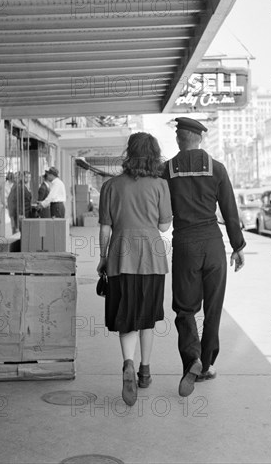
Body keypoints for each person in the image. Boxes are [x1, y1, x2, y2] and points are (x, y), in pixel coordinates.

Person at [163, 117, 246, 397]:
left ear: (178, 140)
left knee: (185, 309)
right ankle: (207, 364)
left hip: (185, 242)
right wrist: (237, 246)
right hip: (212, 243)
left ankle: (192, 360)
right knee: (213, 308)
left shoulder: (167, 170)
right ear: (199, 139)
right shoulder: (217, 169)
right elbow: (230, 211)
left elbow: (160, 210)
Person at [97, 132, 172, 406]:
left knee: (126, 315)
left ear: (129, 153)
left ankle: (127, 363)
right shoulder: (161, 185)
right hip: (152, 257)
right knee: (147, 317)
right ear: (154, 154)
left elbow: (105, 227)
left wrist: (103, 257)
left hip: (120, 256)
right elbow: (165, 226)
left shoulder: (111, 185)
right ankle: (145, 371)